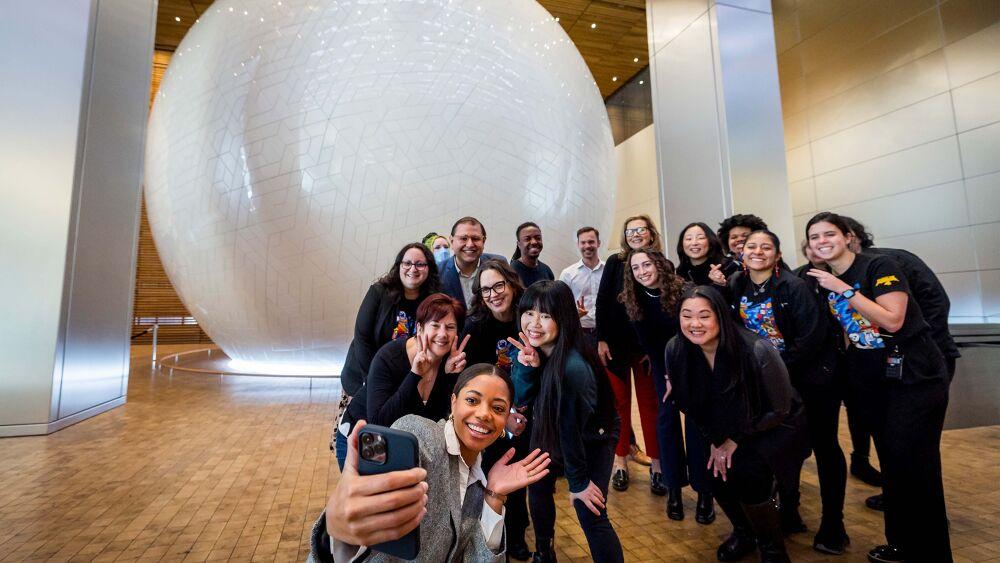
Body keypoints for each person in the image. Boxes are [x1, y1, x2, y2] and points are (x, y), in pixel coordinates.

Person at [805, 212, 951, 562]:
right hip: (877, 380)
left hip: (915, 377)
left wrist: (843, 289)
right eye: (814, 237)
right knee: (894, 465)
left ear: (848, 236)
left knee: (917, 466)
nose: (822, 241)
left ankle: (931, 553)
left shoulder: (879, 266)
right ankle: (901, 544)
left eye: (829, 234)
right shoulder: (826, 278)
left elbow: (892, 319)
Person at [309, 364, 553, 562]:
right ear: (453, 403)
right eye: (472, 401)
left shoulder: (480, 482)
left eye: (498, 408)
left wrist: (494, 496)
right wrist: (339, 534)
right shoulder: (420, 434)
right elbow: (362, 521)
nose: (484, 414)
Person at [664, 286, 807, 563]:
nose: (695, 324)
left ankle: (772, 548)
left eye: (704, 316)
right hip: (722, 427)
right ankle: (744, 532)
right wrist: (717, 441)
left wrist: (733, 440)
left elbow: (780, 409)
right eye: (687, 315)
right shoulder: (677, 349)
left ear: (721, 316)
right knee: (710, 472)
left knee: (747, 472)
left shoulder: (755, 348)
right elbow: (689, 403)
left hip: (774, 426)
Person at [728, 230, 849, 552]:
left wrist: (776, 371)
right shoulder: (738, 283)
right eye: (751, 246)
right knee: (781, 449)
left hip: (809, 381)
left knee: (824, 447)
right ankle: (789, 512)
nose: (758, 252)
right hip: (768, 382)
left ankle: (833, 524)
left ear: (777, 254)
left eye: (766, 247)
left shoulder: (792, 287)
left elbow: (811, 338)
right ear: (742, 253)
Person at [508, 281, 624, 563]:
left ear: (563, 318)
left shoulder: (572, 366)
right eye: (529, 313)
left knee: (590, 510)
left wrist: (579, 482)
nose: (535, 323)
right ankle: (544, 552)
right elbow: (522, 399)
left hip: (592, 438)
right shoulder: (534, 349)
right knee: (537, 487)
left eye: (546, 316)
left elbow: (570, 429)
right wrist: (528, 368)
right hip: (551, 430)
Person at [619, 248, 716, 524]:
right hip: (663, 364)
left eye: (646, 264)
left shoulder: (684, 289)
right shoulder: (633, 298)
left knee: (698, 424)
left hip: (695, 359)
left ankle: (704, 492)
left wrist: (681, 372)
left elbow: (695, 331)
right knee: (666, 420)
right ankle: (673, 488)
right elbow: (647, 342)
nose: (642, 272)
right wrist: (667, 375)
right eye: (636, 268)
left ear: (659, 264)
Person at [336, 294, 468, 469]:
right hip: (362, 438)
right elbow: (380, 422)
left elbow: (432, 419)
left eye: (450, 327)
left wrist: (449, 376)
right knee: (374, 495)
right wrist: (414, 375)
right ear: (420, 328)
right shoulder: (389, 357)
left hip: (399, 443)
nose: (443, 334)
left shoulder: (448, 361)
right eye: (435, 325)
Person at [795, 236, 883, 490]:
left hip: (857, 358)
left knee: (863, 416)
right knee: (824, 435)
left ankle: (862, 459)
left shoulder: (850, 274)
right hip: (821, 365)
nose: (817, 250)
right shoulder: (799, 279)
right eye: (811, 246)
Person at [335, 244, 442, 449]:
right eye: (407, 263)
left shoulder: (431, 301)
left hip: (404, 380)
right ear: (399, 265)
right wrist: (373, 379)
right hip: (364, 376)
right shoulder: (379, 291)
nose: (413, 268)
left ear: (429, 268)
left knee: (389, 437)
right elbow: (362, 337)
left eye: (420, 264)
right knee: (358, 438)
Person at [460, 260, 532, 560]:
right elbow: (472, 375)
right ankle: (489, 533)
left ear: (512, 284)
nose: (492, 294)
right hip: (493, 413)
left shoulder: (527, 316)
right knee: (491, 472)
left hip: (528, 408)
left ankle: (516, 533)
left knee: (521, 473)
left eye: (498, 285)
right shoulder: (476, 324)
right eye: (485, 289)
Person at [595, 215, 662, 494]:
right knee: (619, 407)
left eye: (640, 230)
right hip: (616, 345)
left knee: (650, 406)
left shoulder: (659, 261)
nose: (635, 234)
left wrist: (655, 348)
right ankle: (620, 463)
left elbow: (663, 307)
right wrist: (601, 339)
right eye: (630, 230)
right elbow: (602, 301)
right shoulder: (614, 262)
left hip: (646, 348)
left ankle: (658, 467)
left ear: (650, 233)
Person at [438, 217, 507, 308]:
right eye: (463, 238)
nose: (470, 244)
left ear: (483, 241)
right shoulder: (438, 272)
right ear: (452, 241)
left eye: (475, 238)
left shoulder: (499, 263)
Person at [558, 227, 604, 347]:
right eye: (583, 242)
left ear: (598, 243)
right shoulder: (568, 274)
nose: (587, 246)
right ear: (578, 245)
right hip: (580, 333)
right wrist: (574, 313)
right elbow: (559, 305)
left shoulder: (608, 270)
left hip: (606, 332)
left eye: (591, 242)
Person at [675, 222, 738, 288]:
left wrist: (720, 284)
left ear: (710, 242)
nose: (694, 243)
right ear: (682, 245)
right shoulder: (680, 272)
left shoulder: (729, 266)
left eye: (700, 238)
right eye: (688, 239)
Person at [510, 222, 555, 288]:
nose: (534, 242)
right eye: (527, 239)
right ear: (519, 244)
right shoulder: (512, 272)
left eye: (538, 238)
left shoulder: (546, 270)